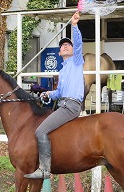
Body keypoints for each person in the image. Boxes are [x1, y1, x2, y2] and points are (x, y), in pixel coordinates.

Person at [25, 11, 85, 179]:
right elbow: (59, 92)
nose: (65, 46)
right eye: (62, 46)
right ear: (59, 53)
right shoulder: (63, 70)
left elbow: (78, 43)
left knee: (40, 131)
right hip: (63, 103)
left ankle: (44, 169)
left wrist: (74, 25)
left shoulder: (76, 61)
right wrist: (48, 94)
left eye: (68, 45)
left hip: (70, 106)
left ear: (74, 51)